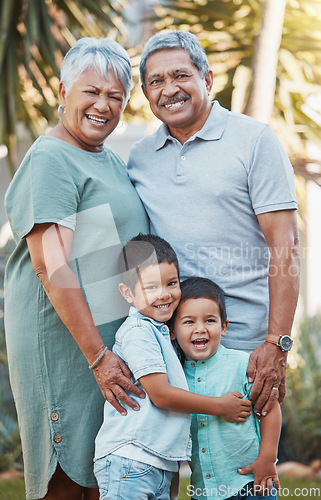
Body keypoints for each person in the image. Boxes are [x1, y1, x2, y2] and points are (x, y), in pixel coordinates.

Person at [127, 30, 300, 416]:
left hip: (246, 350)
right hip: (172, 346)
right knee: (172, 469)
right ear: (145, 93)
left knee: (243, 469)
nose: (169, 89)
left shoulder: (255, 140)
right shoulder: (140, 158)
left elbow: (285, 247)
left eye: (180, 76)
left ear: (206, 79)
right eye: (156, 81)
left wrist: (277, 342)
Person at [4, 38, 149, 500]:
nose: (103, 105)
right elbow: (52, 266)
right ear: (64, 91)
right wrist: (98, 358)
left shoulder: (106, 158)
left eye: (115, 97)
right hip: (69, 347)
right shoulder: (51, 157)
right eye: (92, 91)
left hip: (104, 346)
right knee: (65, 484)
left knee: (101, 480)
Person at [94, 234, 252, 500]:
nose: (165, 294)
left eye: (172, 283)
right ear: (128, 293)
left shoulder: (161, 332)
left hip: (156, 464)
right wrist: (219, 406)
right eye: (152, 287)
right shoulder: (138, 332)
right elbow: (162, 395)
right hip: (131, 459)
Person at [171, 277, 282, 500]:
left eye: (209, 320)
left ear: (223, 327)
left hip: (251, 483)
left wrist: (267, 459)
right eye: (189, 322)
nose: (200, 329)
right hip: (204, 490)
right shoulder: (175, 377)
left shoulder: (243, 364)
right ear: (172, 331)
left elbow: (270, 409)